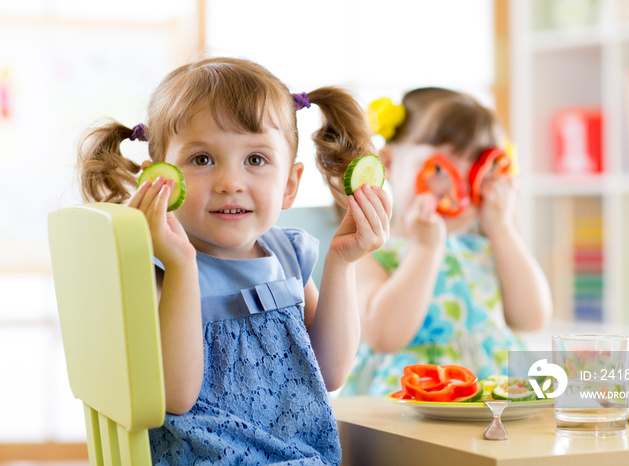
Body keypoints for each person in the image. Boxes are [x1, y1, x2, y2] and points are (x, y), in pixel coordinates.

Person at [76, 57, 391, 464]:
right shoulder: (156, 268)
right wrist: (182, 264)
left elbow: (330, 372)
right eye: (202, 159)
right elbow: (177, 395)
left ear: (290, 185)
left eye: (256, 160)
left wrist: (342, 263)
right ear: (159, 178)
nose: (230, 183)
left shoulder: (288, 255)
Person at [339, 87, 552, 396]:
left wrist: (503, 228)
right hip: (411, 403)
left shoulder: (485, 249)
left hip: (493, 400)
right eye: (440, 169)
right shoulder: (368, 250)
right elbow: (384, 335)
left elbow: (533, 318)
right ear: (388, 162)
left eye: (479, 173)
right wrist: (426, 249)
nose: (459, 192)